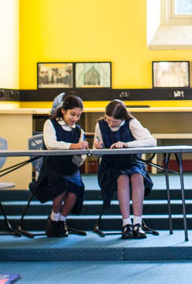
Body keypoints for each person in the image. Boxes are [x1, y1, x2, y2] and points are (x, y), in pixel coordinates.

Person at [93, 99, 156, 239]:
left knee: (137, 177)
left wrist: (127, 144)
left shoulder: (132, 122)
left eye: (114, 122)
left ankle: (137, 223)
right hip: (111, 165)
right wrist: (98, 148)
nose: (110, 124)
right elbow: (97, 154)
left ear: (122, 118)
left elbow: (151, 141)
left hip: (132, 162)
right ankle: (126, 224)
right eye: (108, 120)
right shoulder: (100, 125)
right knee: (122, 179)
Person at [30, 95, 88, 237]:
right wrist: (74, 146)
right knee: (61, 185)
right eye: (72, 114)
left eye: (78, 115)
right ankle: (54, 218)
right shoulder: (50, 123)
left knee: (76, 187)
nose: (75, 118)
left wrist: (81, 153)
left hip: (70, 166)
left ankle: (62, 220)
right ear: (63, 110)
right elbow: (51, 144)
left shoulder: (78, 130)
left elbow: (81, 158)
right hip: (53, 165)